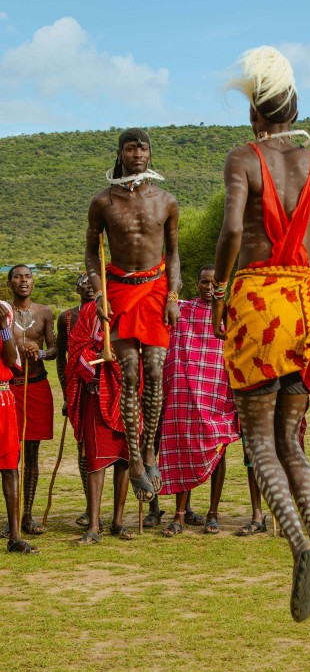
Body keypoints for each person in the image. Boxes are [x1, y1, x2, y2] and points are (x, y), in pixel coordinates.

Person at [212, 46, 310, 623]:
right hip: (306, 309)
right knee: (293, 439)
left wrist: (220, 287)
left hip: (257, 306)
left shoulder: (243, 159)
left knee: (258, 441)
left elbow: (230, 230)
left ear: (256, 114)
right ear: (294, 108)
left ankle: (299, 546)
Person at [85, 128, 181, 503]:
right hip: (120, 290)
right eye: (130, 147)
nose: (137, 153)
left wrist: (173, 295)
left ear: (150, 153)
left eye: (143, 147)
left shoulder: (167, 200)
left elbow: (173, 253)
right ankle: (136, 461)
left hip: (156, 288)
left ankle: (150, 448)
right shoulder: (103, 202)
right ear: (120, 152)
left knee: (156, 372)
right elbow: (92, 253)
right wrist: (98, 294)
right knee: (129, 375)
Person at [145, 265, 240, 537]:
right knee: (182, 449)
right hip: (184, 395)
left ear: (223, 285)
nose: (209, 288)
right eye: (203, 282)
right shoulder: (183, 310)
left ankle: (213, 512)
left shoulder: (230, 314)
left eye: (214, 283)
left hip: (218, 394)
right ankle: (179, 514)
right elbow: (159, 300)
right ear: (196, 284)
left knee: (219, 450)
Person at [65, 300, 134, 544]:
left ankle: (118, 521)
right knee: (96, 461)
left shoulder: (130, 306)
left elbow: (141, 348)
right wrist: (95, 356)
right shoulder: (89, 312)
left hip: (125, 393)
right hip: (95, 394)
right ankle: (94, 525)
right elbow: (75, 349)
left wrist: (120, 355)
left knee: (124, 459)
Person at [5, 264, 57, 537]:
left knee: (32, 455)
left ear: (33, 282)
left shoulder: (45, 313)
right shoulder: (3, 313)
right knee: (9, 456)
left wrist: (41, 353)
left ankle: (27, 516)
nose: (23, 281)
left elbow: (55, 348)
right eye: (18, 277)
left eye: (27, 277)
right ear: (9, 283)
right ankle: (11, 519)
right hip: (9, 389)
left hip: (36, 387)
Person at [0, 300, 39, 554]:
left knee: (9, 467)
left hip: (2, 398)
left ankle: (14, 536)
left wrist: (3, 326)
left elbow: (9, 357)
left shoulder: (3, 309)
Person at [57, 272, 95, 528]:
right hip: (78, 389)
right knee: (83, 448)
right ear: (77, 288)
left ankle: (114, 512)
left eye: (95, 284)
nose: (90, 288)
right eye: (85, 283)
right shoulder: (67, 317)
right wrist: (66, 393)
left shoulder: (108, 313)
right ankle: (90, 507)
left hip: (105, 388)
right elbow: (61, 356)